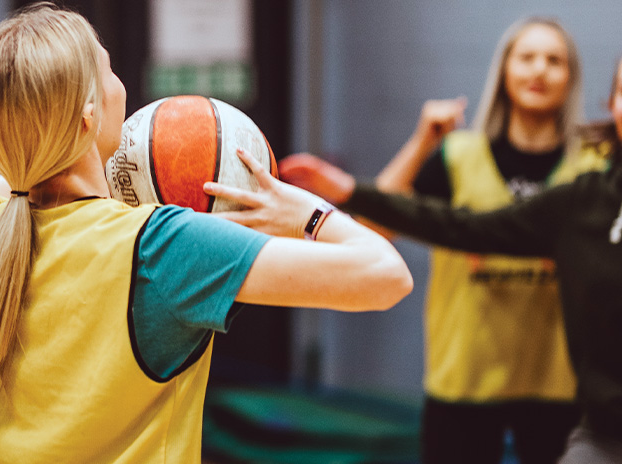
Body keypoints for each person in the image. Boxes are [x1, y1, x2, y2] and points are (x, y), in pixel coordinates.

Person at [0, 3, 412, 463]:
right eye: (109, 71)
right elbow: (386, 276)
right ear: (88, 116)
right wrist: (306, 213)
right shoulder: (159, 244)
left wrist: (62, 168)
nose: (120, 85)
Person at [249, 59, 622, 463]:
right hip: (490, 384)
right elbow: (455, 226)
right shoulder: (581, 200)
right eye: (526, 58)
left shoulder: (584, 162)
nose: (539, 71)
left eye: (553, 60)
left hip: (554, 390)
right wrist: (349, 193)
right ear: (611, 103)